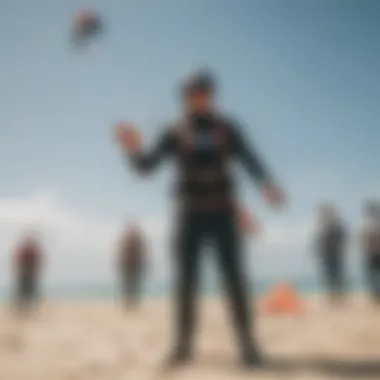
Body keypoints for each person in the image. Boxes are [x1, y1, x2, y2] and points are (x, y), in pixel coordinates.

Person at [114, 69, 284, 367]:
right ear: (184, 98)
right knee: (185, 282)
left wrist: (266, 183)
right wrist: (131, 149)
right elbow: (147, 167)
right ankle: (182, 347)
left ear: (211, 95)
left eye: (204, 92)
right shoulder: (174, 130)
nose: (199, 98)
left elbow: (250, 158)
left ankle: (247, 345)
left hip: (222, 212)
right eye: (192, 93)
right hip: (189, 214)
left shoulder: (227, 128)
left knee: (234, 280)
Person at [315, 203, 347, 303]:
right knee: (329, 278)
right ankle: (332, 297)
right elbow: (319, 242)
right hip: (327, 256)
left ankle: (337, 297)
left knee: (336, 277)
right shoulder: (323, 226)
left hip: (335, 256)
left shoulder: (335, 226)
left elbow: (342, 240)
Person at [12, 233, 43, 313]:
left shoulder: (30, 251)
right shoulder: (26, 251)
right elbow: (18, 260)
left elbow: (37, 261)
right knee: (23, 291)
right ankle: (22, 308)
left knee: (29, 291)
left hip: (29, 273)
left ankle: (27, 308)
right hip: (25, 273)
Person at [117, 224, 146, 307]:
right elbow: (123, 254)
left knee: (133, 284)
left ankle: (132, 302)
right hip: (129, 265)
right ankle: (129, 302)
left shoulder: (135, 243)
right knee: (129, 284)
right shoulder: (131, 243)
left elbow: (140, 254)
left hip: (133, 265)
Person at [361, 200, 380, 303]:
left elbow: (364, 240)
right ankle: (375, 296)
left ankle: (376, 296)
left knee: (374, 276)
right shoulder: (369, 223)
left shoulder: (368, 223)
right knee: (373, 276)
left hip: (373, 254)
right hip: (371, 254)